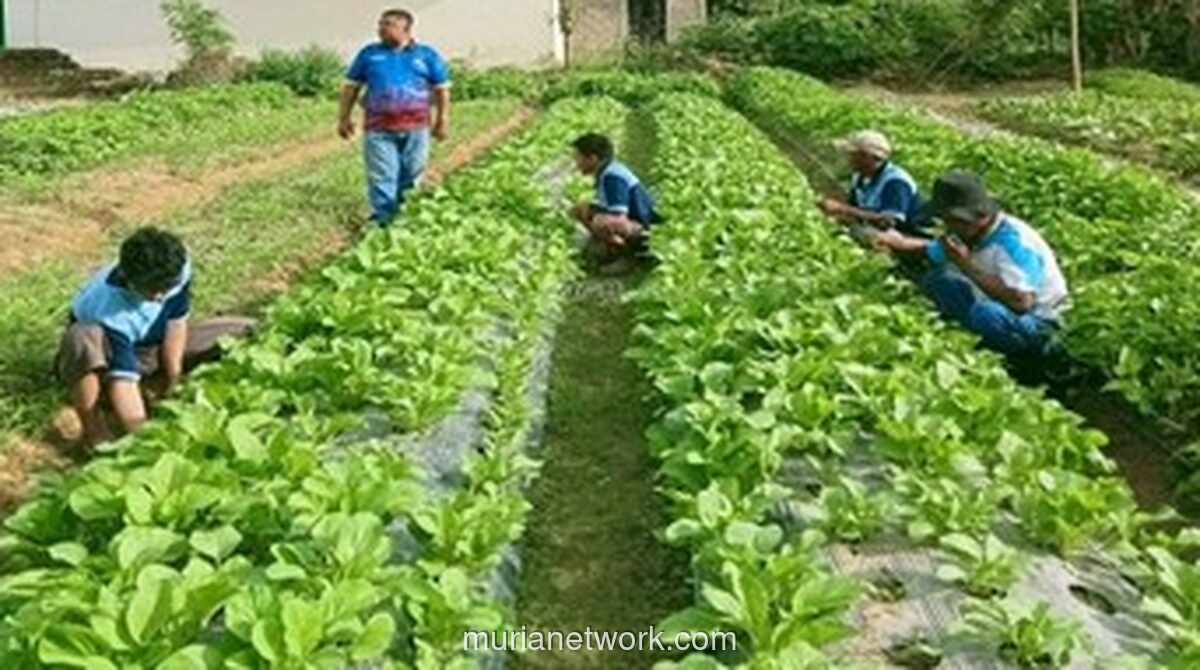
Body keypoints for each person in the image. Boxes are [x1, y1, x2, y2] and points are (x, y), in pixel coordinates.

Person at [55, 228, 254, 447]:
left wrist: (173, 379)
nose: (159, 297)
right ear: (129, 279)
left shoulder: (175, 268)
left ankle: (154, 387)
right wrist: (146, 439)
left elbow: (176, 324)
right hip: (108, 355)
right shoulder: (107, 307)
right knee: (82, 336)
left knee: (244, 329)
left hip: (153, 345)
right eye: (151, 290)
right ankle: (94, 430)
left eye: (165, 289)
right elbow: (123, 379)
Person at [875, 171, 1069, 358]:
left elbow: (1021, 301)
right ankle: (968, 343)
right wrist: (894, 242)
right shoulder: (969, 233)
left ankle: (1015, 364)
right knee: (939, 281)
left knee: (987, 315)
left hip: (1040, 320)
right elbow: (929, 249)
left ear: (977, 217)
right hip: (996, 305)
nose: (947, 227)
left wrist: (966, 264)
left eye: (952, 221)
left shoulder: (1014, 241)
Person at [338, 8, 451, 227]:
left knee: (412, 174)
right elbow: (350, 87)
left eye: (388, 24)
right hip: (378, 128)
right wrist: (344, 117)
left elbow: (442, 89)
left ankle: (407, 218)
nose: (381, 28)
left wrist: (442, 120)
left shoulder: (426, 55)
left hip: (417, 128)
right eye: (380, 24)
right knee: (382, 176)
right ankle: (383, 221)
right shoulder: (369, 54)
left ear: (406, 28)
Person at [569, 132, 663, 275]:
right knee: (581, 209)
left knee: (602, 222)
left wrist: (598, 222)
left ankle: (630, 256)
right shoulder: (606, 172)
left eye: (579, 158)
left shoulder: (612, 176)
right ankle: (611, 250)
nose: (576, 164)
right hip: (636, 223)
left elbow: (618, 217)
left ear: (593, 158)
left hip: (648, 230)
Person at [818, 129, 929, 239]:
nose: (849, 158)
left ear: (869, 157)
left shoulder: (896, 182)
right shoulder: (859, 177)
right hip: (878, 230)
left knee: (861, 234)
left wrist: (842, 209)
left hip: (908, 236)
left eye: (853, 154)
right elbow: (856, 208)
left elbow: (889, 222)